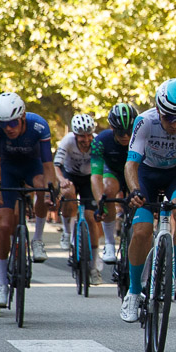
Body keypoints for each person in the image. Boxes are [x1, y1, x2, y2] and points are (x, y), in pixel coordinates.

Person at [121, 80, 176, 321]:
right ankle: (133, 292)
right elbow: (131, 163)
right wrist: (134, 191)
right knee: (141, 232)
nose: (175, 124)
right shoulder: (145, 121)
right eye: (170, 117)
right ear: (159, 110)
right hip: (146, 175)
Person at [0, 92, 58, 306]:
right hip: (7, 169)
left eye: (13, 123)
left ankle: (37, 239)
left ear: (23, 117)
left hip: (32, 166)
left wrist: (51, 190)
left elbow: (47, 165)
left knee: (42, 186)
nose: (9, 128)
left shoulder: (39, 126)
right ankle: (2, 284)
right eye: (4, 124)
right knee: (5, 224)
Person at [54, 113, 103, 283]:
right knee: (69, 193)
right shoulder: (67, 141)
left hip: (90, 178)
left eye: (89, 135)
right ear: (75, 135)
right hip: (70, 175)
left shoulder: (97, 142)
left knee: (91, 218)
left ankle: (94, 265)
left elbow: (103, 168)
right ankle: (67, 233)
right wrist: (62, 181)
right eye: (82, 135)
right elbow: (57, 166)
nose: (86, 139)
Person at [91, 103, 137, 266]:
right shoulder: (100, 141)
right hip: (113, 172)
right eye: (120, 131)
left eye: (129, 131)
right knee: (108, 190)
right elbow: (96, 176)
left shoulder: (141, 137)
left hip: (135, 172)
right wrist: (100, 202)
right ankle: (109, 244)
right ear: (112, 128)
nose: (125, 135)